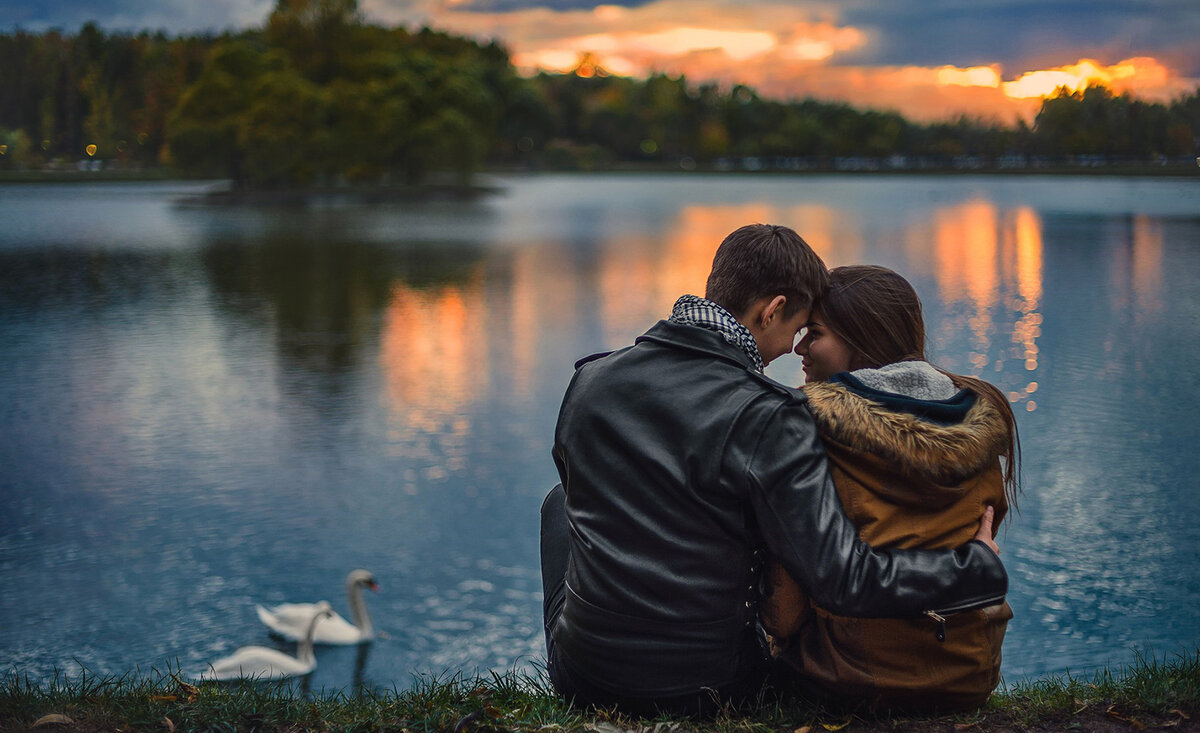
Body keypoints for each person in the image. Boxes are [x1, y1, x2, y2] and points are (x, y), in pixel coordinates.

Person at [541, 225, 1007, 717]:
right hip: (711, 685)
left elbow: (583, 491)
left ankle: (599, 643)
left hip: (584, 677)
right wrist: (974, 567)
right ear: (772, 310)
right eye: (795, 329)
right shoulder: (770, 415)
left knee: (559, 505)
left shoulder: (590, 379)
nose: (792, 349)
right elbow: (841, 576)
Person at [762, 264, 1019, 712]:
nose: (800, 346)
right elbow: (983, 534)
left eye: (815, 332)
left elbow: (785, 609)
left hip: (846, 675)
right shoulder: (981, 418)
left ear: (863, 338)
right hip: (969, 671)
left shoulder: (807, 427)